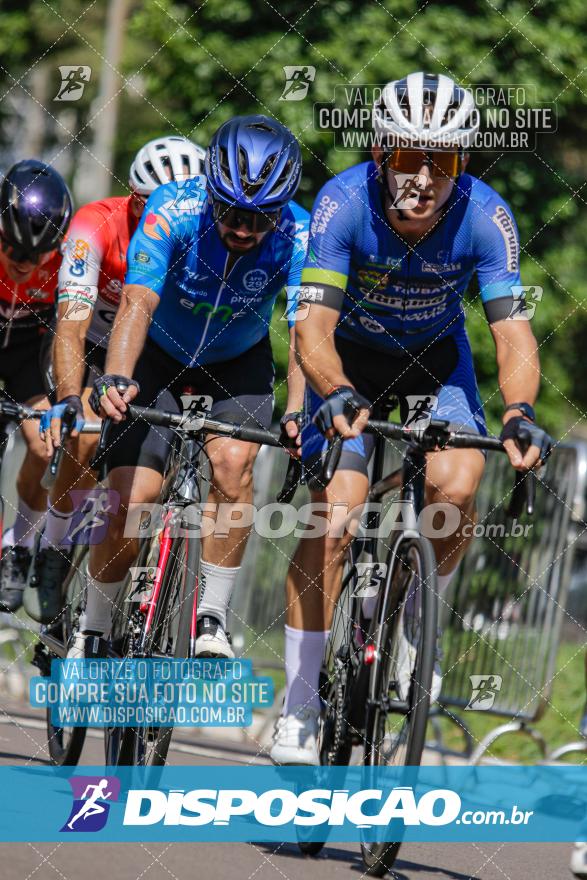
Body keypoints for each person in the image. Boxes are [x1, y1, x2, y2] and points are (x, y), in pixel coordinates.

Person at [270, 71, 552, 765]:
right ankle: (300, 702)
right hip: (348, 362)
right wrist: (332, 391)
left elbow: (512, 336)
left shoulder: (486, 218)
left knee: (456, 488)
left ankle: (414, 628)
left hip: (433, 361)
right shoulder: (340, 203)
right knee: (334, 518)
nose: (424, 177)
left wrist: (518, 413)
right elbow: (312, 329)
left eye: (444, 160)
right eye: (407, 156)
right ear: (378, 152)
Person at [71, 114, 308, 660]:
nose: (244, 230)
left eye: (260, 218)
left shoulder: (300, 232)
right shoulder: (172, 207)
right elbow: (138, 301)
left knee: (232, 467)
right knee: (134, 496)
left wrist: (297, 410)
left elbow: (302, 331)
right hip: (157, 355)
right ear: (210, 190)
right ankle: (95, 622)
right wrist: (118, 377)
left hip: (237, 360)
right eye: (230, 213)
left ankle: (212, 617)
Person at [33, 136, 206, 625]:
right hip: (89, 340)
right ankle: (55, 544)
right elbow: (70, 323)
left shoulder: (196, 234)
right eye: (154, 205)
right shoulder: (94, 226)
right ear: (133, 200)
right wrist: (70, 398)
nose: (170, 216)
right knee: (85, 433)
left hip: (147, 350)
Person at [0, 160, 72, 613]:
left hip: (29, 357)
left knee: (45, 447)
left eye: (37, 256)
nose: (24, 264)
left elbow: (71, 329)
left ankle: (16, 547)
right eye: (13, 252)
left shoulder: (68, 260)